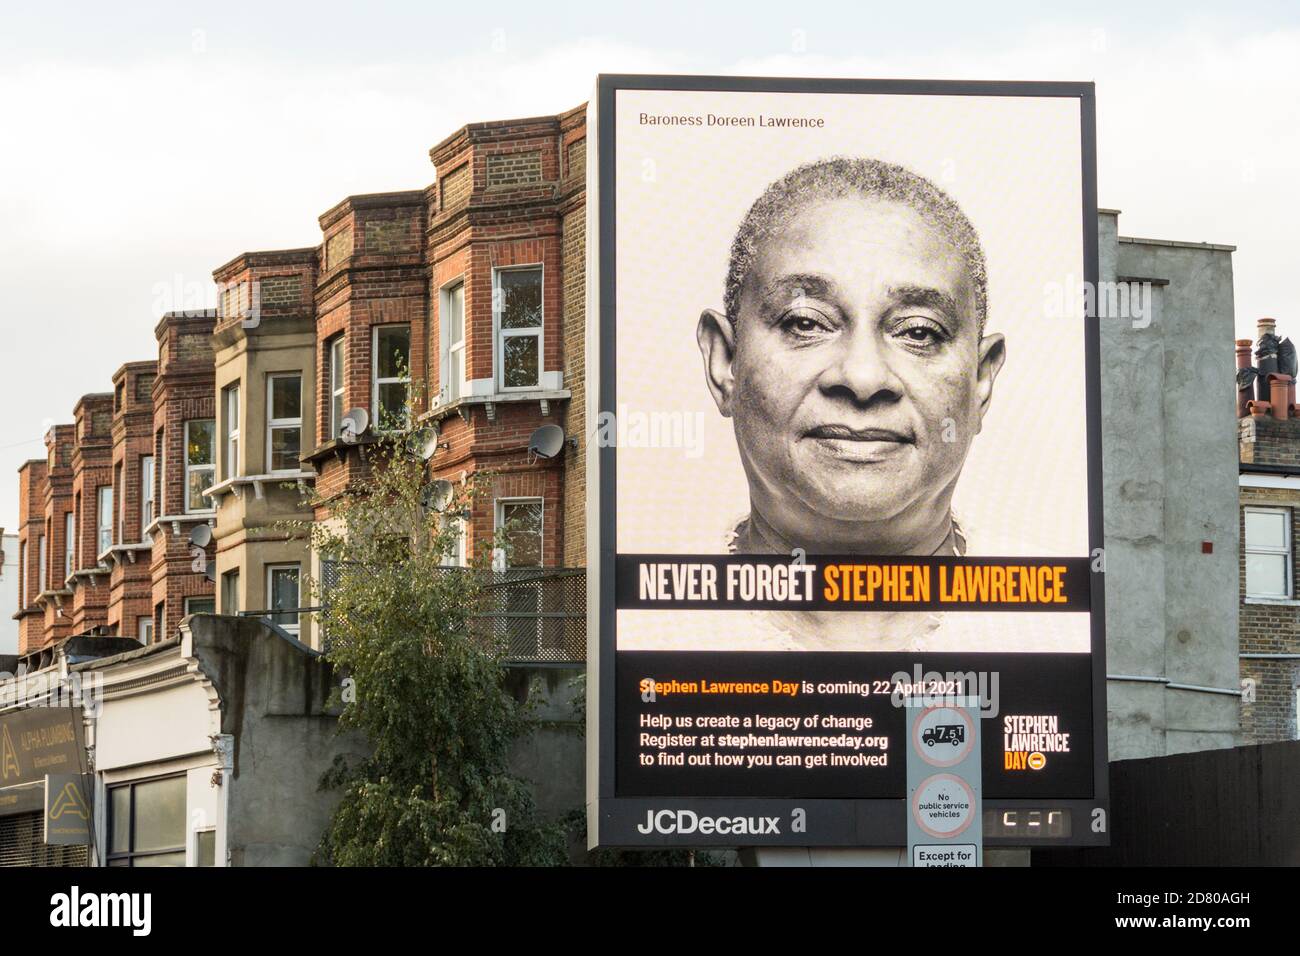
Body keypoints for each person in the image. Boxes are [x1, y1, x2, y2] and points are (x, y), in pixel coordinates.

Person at [696, 156, 1006, 559]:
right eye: (805, 323)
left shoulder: (1051, 618)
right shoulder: (651, 619)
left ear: (980, 381)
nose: (863, 378)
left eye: (918, 332)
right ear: (725, 363)